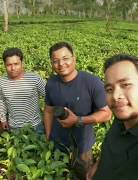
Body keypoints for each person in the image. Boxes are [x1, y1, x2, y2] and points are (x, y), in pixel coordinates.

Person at [43, 42, 112, 177]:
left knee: (85, 175)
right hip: (58, 144)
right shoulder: (51, 83)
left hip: (83, 147)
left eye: (65, 58)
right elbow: (48, 111)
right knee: (59, 174)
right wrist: (48, 136)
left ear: (74, 58)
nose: (61, 64)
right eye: (55, 61)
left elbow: (107, 114)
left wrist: (78, 120)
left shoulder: (92, 82)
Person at [0, 47, 46, 133]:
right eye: (9, 65)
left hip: (35, 126)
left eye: (16, 64)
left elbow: (49, 95)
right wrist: (3, 119)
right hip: (14, 128)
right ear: (4, 64)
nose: (13, 68)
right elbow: (1, 101)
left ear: (22, 63)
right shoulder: (1, 82)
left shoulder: (34, 78)